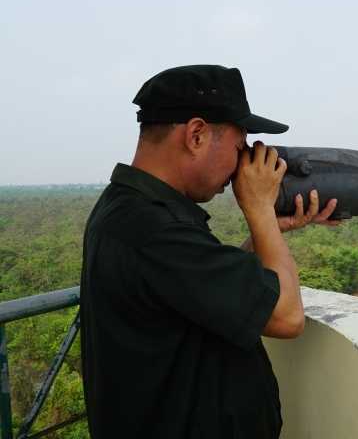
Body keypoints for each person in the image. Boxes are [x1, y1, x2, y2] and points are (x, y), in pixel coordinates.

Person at [79, 65, 339, 438]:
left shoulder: (128, 207)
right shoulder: (156, 230)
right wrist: (261, 209)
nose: (241, 165)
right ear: (196, 135)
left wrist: (271, 229)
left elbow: (204, 286)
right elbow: (287, 317)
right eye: (238, 148)